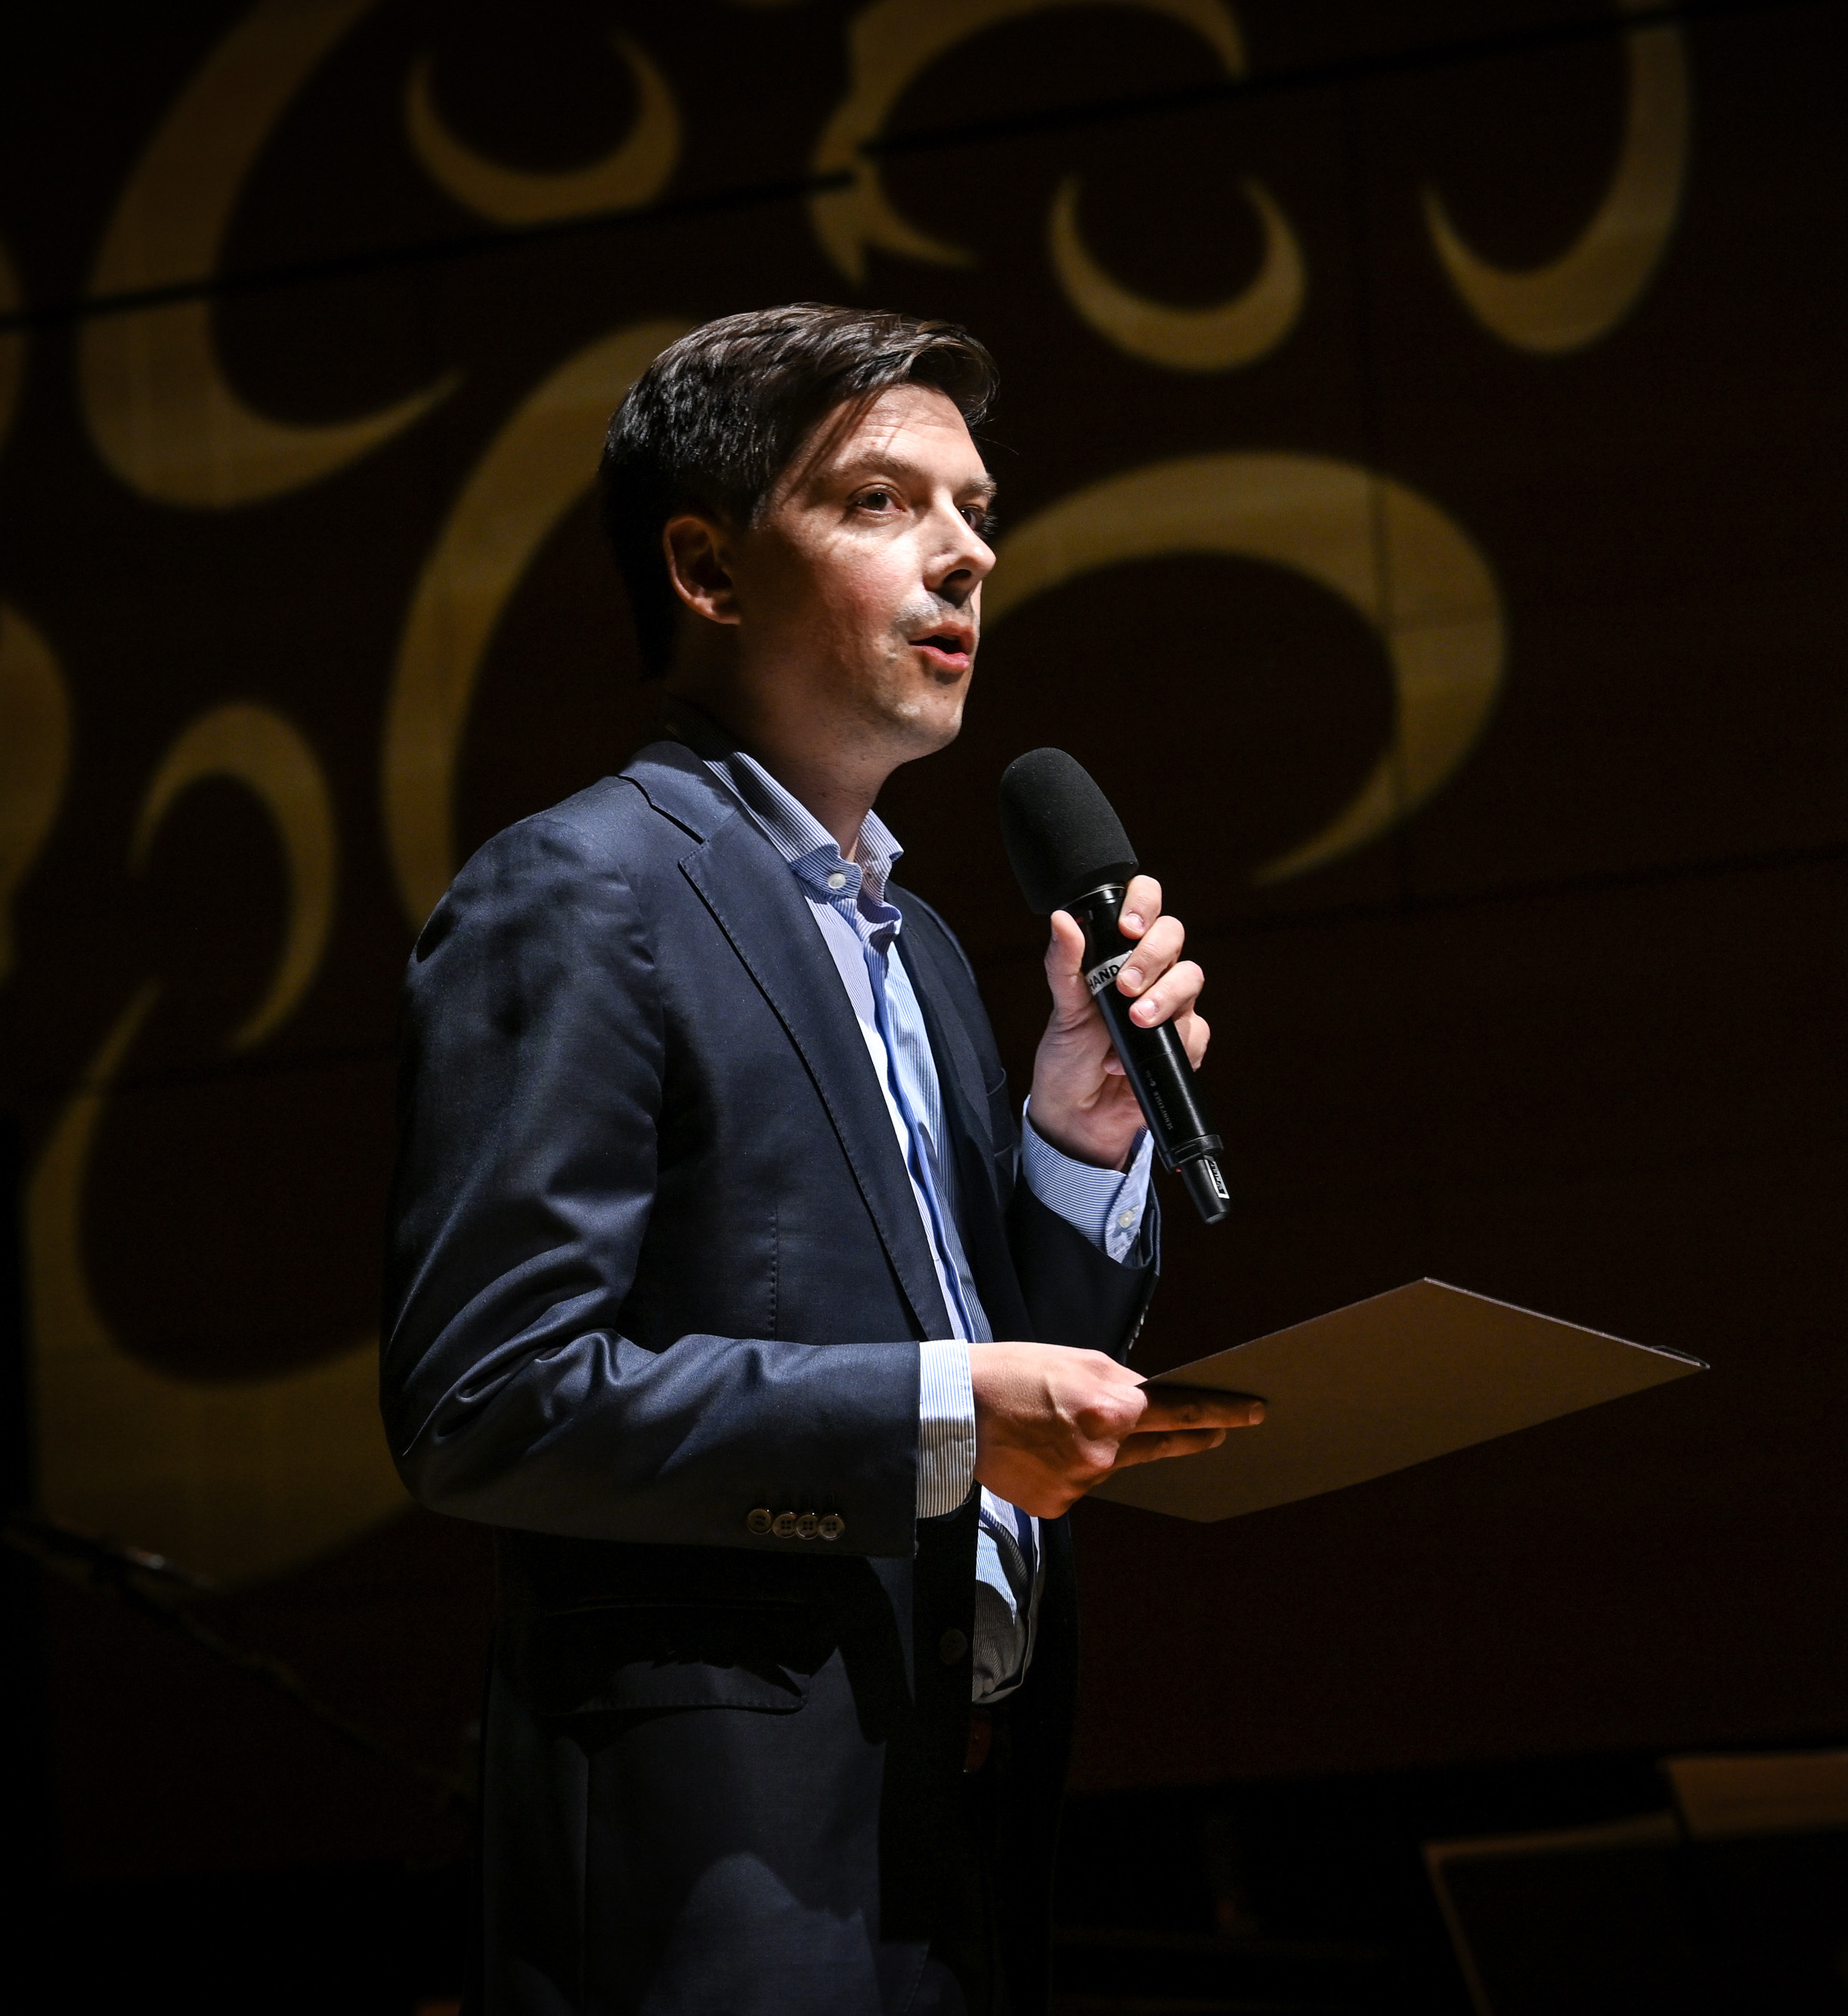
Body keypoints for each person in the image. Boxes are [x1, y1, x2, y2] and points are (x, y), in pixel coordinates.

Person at [381, 305, 1260, 2016]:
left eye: (976, 510)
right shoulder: (583, 890)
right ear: (706, 568)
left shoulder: (913, 943)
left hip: (958, 1808)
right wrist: (938, 1417)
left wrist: (1079, 1139)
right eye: (880, 502)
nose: (966, 554)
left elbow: (1010, 1365)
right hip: (718, 1856)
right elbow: (484, 1399)